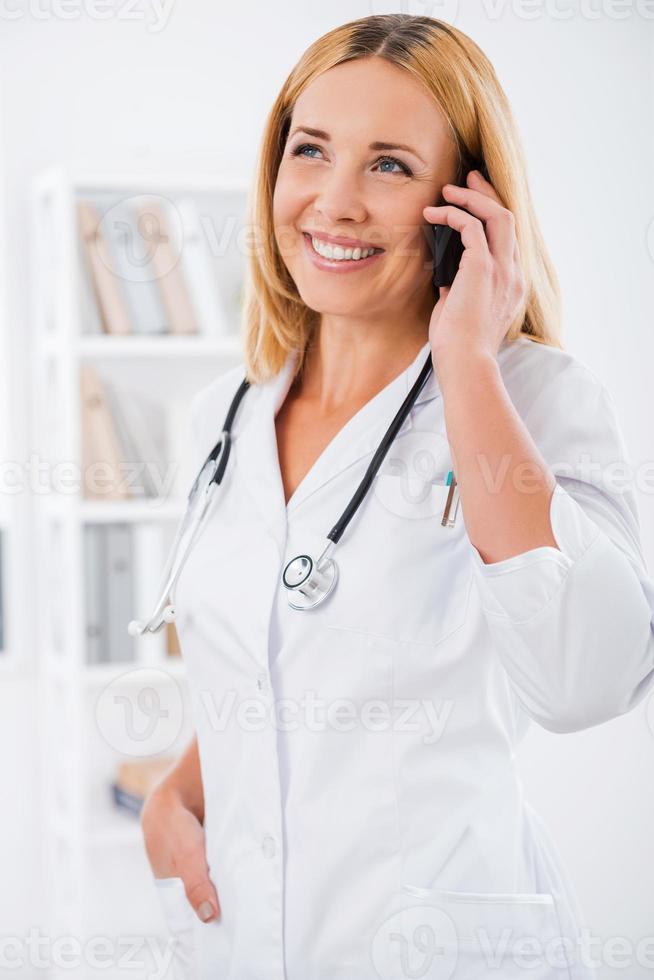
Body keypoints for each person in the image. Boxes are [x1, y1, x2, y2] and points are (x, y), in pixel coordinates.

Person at [140, 14, 654, 980]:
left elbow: (591, 680)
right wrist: (178, 791)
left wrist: (465, 360)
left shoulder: (535, 396)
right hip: (243, 946)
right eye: (312, 151)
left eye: (387, 166)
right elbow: (276, 673)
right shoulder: (227, 416)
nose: (333, 202)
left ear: (466, 203)